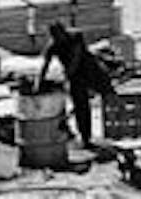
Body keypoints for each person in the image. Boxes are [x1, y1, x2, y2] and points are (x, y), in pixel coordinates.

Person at [34, 21, 114, 149]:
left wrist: (66, 76)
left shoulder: (76, 37)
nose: (59, 38)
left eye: (60, 35)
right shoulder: (53, 46)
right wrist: (38, 83)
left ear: (64, 31)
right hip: (75, 78)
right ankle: (86, 137)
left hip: (90, 69)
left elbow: (76, 58)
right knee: (81, 106)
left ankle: (115, 129)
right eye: (56, 37)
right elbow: (45, 65)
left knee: (109, 94)